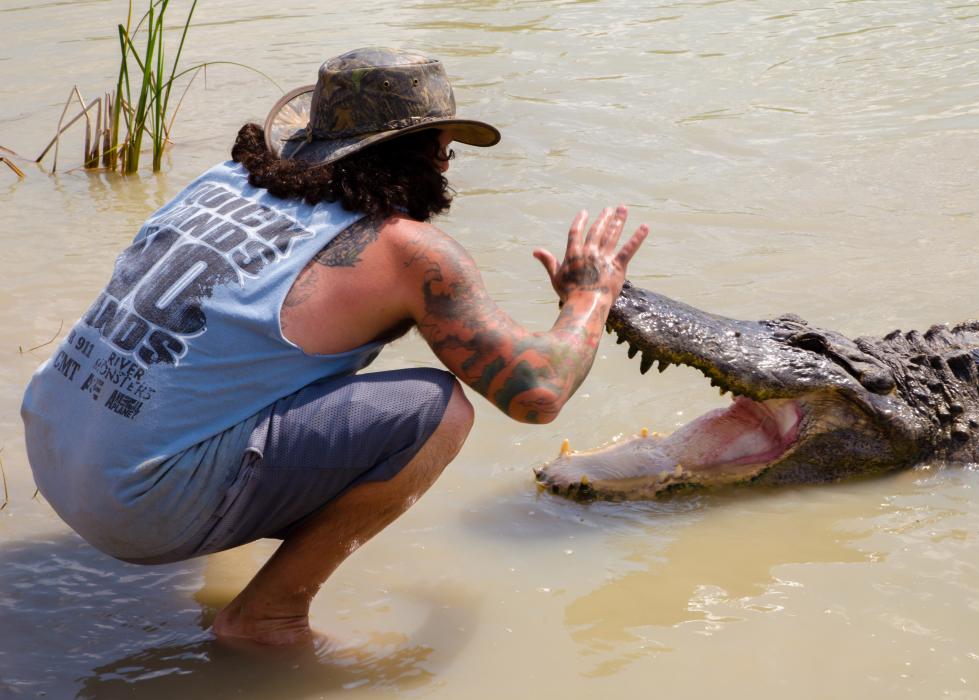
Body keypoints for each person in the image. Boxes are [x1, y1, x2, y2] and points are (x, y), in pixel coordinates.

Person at [20, 47, 648, 646]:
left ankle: (232, 539)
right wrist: (588, 296)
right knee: (436, 411)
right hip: (134, 506)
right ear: (426, 156)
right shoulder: (411, 253)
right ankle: (271, 617)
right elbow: (538, 393)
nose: (449, 166)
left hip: (51, 442)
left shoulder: (223, 181)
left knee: (265, 368)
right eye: (446, 149)